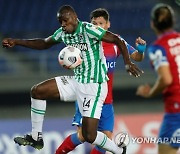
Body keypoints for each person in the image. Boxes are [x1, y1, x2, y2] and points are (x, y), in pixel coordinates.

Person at [2, 5, 143, 154]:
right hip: (77, 81)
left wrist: (127, 62)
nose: (63, 24)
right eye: (60, 21)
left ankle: (119, 151)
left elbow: (117, 40)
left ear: (75, 18)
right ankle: (36, 137)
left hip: (95, 85)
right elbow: (44, 43)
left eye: (65, 21)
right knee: (37, 91)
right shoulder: (63, 33)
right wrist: (17, 42)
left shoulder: (88, 29)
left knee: (89, 136)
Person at [56, 8, 146, 154]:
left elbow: (135, 57)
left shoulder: (115, 42)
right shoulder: (84, 40)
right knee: (84, 136)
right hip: (87, 94)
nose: (97, 26)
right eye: (94, 23)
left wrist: (141, 50)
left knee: (106, 139)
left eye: (101, 23)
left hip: (106, 99)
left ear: (108, 24)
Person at [136, 3, 180, 154]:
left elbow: (166, 79)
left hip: (176, 110)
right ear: (173, 22)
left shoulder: (158, 47)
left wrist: (151, 92)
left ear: (153, 23)